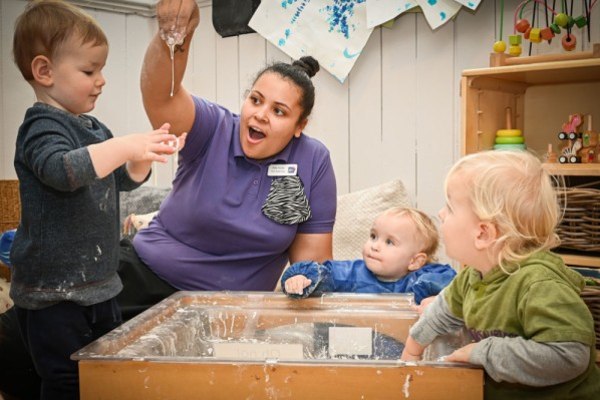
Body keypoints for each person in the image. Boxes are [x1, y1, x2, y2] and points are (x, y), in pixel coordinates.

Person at [2, 1, 182, 398]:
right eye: (89, 71)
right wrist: (124, 145)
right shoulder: (41, 126)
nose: (100, 80)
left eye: (100, 69)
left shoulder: (93, 126)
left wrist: (139, 159)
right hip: (53, 295)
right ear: (44, 71)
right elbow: (65, 171)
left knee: (104, 372)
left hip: (101, 286)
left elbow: (119, 180)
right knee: (66, 381)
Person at [115, 0, 337, 320]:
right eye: (256, 100)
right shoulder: (215, 127)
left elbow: (310, 270)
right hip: (142, 278)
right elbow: (161, 98)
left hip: (228, 315)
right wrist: (173, 37)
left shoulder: (313, 161)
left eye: (279, 111)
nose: (260, 115)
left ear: (299, 126)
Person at [400, 150, 600, 399]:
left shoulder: (539, 285)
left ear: (483, 234)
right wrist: (414, 345)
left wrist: (485, 352)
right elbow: (444, 310)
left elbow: (570, 356)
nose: (441, 214)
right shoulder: (474, 275)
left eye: (450, 207)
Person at [281, 207, 456, 304]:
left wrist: (431, 298)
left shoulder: (420, 280)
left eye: (389, 242)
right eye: (373, 236)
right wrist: (301, 277)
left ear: (415, 261)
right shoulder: (352, 273)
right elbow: (322, 273)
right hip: (346, 349)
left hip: (399, 356)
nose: (375, 246)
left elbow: (455, 285)